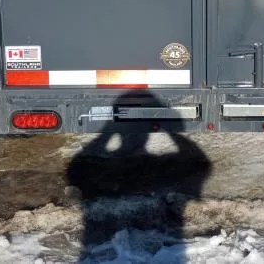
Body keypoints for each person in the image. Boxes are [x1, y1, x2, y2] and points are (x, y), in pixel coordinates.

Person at [67, 91, 211, 262]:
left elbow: (75, 167)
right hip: (159, 249)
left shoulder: (95, 167)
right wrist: (171, 132)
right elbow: (201, 163)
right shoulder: (160, 165)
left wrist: (107, 131)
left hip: (105, 251)